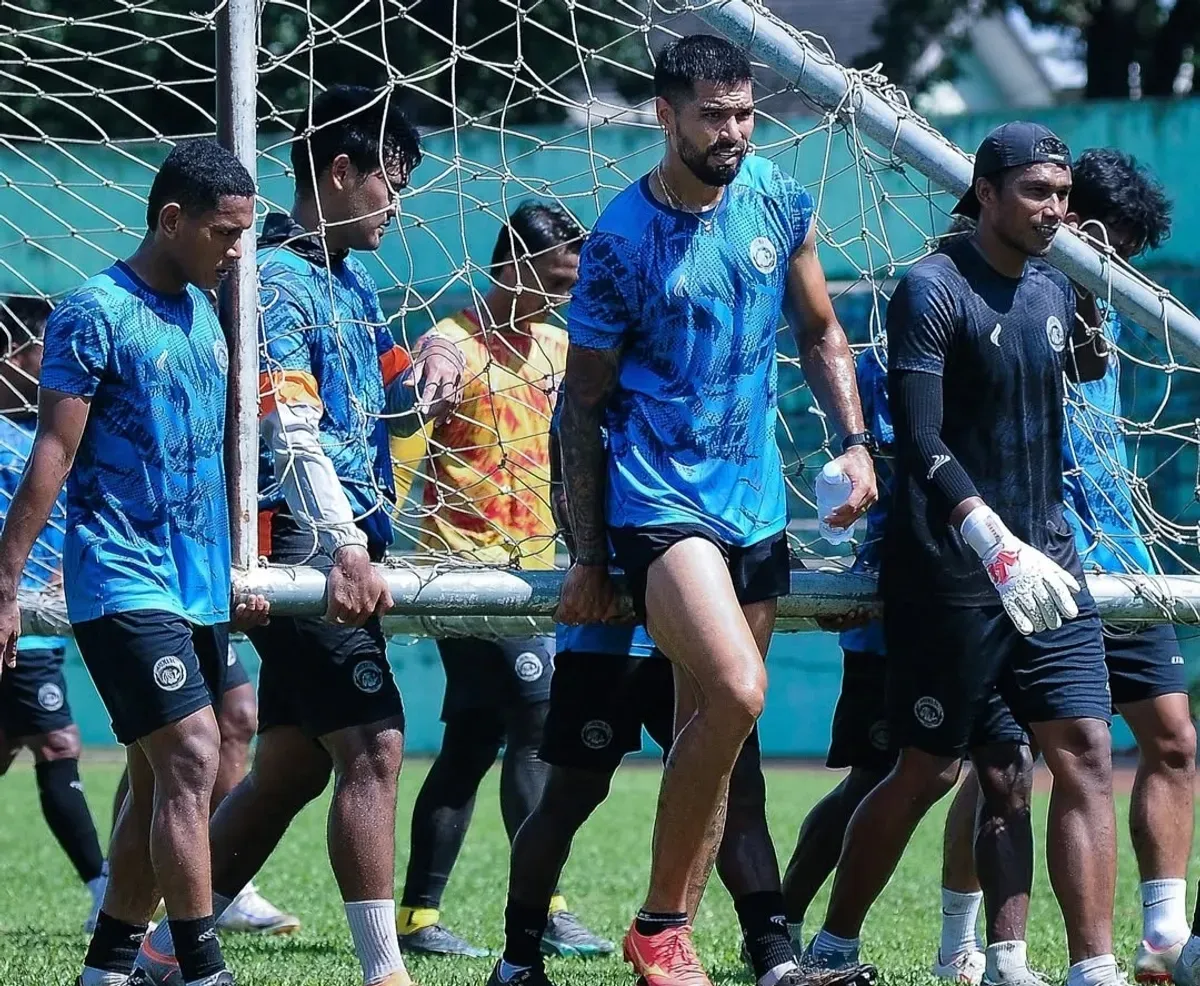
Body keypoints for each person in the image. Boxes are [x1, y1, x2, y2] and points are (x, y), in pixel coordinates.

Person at [554, 33, 876, 986]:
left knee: (719, 729)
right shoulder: (618, 239)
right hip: (657, 502)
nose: (733, 131)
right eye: (713, 115)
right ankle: (657, 921)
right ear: (666, 113)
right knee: (739, 689)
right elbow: (582, 404)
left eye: (744, 113)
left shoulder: (779, 197)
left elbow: (821, 331)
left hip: (758, 504)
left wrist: (854, 442)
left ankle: (674, 940)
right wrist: (586, 552)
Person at [131, 85, 464, 986]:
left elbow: (383, 389)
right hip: (307, 547)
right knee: (375, 745)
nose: (399, 207)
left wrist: (434, 356)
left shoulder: (350, 281)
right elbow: (291, 424)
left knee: (289, 763)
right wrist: (343, 542)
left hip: (341, 542)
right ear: (341, 171)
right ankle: (384, 971)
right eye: (391, 183)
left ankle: (162, 951)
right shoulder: (275, 277)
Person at [805, 121, 1127, 986]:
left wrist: (1098, 294)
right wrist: (988, 537)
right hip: (953, 573)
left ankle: (1094, 967)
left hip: (1050, 562)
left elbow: (1087, 372)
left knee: (1087, 753)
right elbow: (920, 436)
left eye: (1061, 194)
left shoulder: (1056, 290)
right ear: (984, 193)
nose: (1053, 209)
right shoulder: (931, 288)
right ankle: (834, 943)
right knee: (928, 770)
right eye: (1036, 191)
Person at [486, 383, 863, 986]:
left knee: (738, 791)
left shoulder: (724, 387)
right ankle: (518, 960)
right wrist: (596, 565)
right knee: (572, 794)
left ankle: (775, 961)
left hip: (699, 634)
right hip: (611, 631)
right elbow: (568, 488)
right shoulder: (602, 379)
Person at [0, 138, 257, 986]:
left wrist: (237, 565)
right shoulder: (92, 311)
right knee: (191, 754)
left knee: (158, 783)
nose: (234, 251)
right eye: (223, 233)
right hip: (118, 575)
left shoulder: (207, 316)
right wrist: (6, 584)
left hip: (197, 582)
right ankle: (199, 967)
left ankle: (108, 968)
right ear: (172, 219)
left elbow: (210, 456)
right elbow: (53, 454)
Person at [935, 148, 1190, 986]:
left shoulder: (1099, 313)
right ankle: (964, 940)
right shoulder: (996, 293)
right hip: (1028, 558)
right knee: (999, 765)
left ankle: (1165, 937)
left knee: (1173, 740)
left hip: (1119, 551)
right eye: (1109, 247)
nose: (1116, 269)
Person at [393, 201, 609, 960]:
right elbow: (433, 365)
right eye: (551, 278)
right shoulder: (451, 340)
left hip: (535, 572)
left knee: (474, 740)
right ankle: (542, 906)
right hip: (462, 569)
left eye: (569, 283)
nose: (560, 295)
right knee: (536, 719)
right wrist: (433, 377)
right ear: (509, 267)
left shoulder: (557, 347)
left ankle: (418, 917)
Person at [0, 296, 108, 934]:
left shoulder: (51, 429)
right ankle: (102, 888)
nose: (52, 361)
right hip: (15, 610)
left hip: (42, 609)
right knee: (58, 740)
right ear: (15, 354)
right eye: (42, 348)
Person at [109, 643, 300, 935]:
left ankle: (225, 887)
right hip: (150, 604)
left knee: (237, 716)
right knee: (159, 732)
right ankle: (120, 903)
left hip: (203, 602)